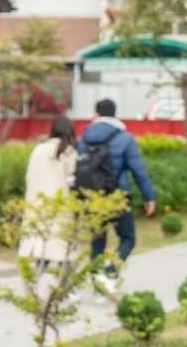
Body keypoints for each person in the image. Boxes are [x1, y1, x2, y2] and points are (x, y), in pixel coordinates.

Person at [77, 99, 155, 290]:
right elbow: (138, 171)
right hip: (118, 195)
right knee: (128, 238)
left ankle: (97, 283)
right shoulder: (125, 138)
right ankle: (110, 274)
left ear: (95, 115)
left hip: (92, 197)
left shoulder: (83, 139)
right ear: (115, 115)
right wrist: (149, 196)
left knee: (97, 240)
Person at [17, 114, 80, 265]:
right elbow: (72, 181)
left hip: (37, 203)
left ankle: (35, 277)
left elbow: (29, 177)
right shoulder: (69, 152)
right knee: (62, 249)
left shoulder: (39, 150)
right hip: (60, 205)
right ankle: (64, 279)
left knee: (42, 249)